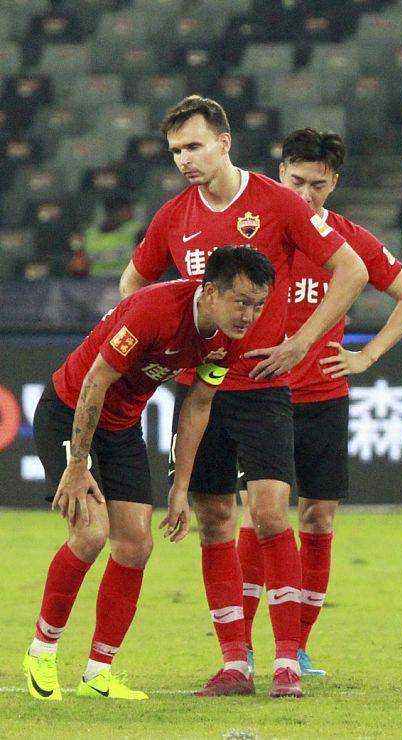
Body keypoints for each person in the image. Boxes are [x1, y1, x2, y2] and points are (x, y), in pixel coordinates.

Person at [118, 95, 368, 699]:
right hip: (200, 391)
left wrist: (301, 342)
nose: (185, 159)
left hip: (263, 389)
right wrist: (162, 345)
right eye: (176, 150)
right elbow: (133, 284)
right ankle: (234, 662)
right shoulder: (173, 217)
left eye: (194, 146)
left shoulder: (277, 203)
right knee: (214, 520)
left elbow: (352, 270)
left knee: (272, 514)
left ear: (224, 142)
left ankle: (287, 661)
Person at [22, 245, 273, 701]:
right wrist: (77, 465)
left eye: (258, 305)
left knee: (137, 545)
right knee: (91, 533)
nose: (248, 316)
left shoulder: (228, 339)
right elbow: (95, 380)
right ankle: (42, 650)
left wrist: (181, 486)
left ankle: (98, 674)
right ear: (210, 291)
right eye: (241, 302)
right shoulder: (155, 310)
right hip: (69, 411)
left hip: (121, 428)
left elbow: (197, 405)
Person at [236, 128, 402, 678]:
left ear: (334, 183)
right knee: (259, 515)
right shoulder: (255, 233)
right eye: (295, 181)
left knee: (317, 518)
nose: (304, 195)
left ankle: (297, 646)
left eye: (317, 185)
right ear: (279, 173)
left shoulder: (348, 241)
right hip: (260, 397)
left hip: (323, 397)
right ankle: (240, 647)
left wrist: (368, 356)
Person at [81, 195, 143, 278]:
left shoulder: (136, 231)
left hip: (125, 281)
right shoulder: (89, 234)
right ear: (120, 211)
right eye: (128, 210)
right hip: (96, 282)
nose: (132, 213)